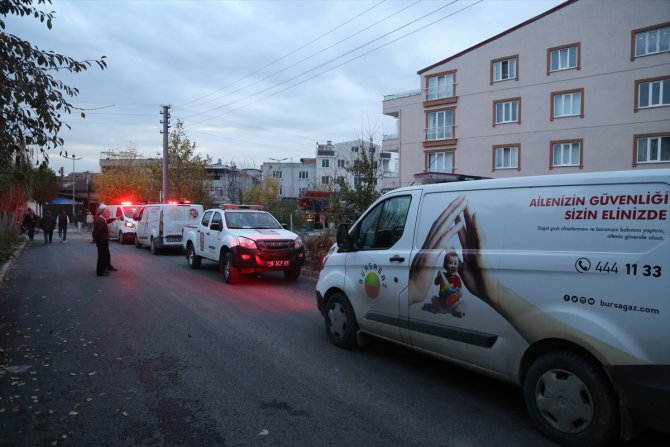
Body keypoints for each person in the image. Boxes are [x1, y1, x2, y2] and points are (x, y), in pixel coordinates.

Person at [422, 248, 464, 317]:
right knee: (434, 298)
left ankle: (457, 311)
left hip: (453, 303)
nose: (453, 265)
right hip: (443, 301)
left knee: (463, 303)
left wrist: (457, 291)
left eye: (455, 263)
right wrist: (438, 277)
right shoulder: (443, 275)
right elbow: (436, 283)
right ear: (445, 265)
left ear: (457, 266)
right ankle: (441, 309)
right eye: (450, 263)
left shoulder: (457, 279)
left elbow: (459, 291)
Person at [92, 206, 117, 276]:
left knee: (103, 256)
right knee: (101, 256)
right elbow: (97, 232)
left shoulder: (102, 220)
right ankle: (100, 272)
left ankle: (103, 270)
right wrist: (95, 239)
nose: (109, 214)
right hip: (102, 241)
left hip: (103, 241)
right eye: (108, 212)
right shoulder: (101, 221)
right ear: (103, 213)